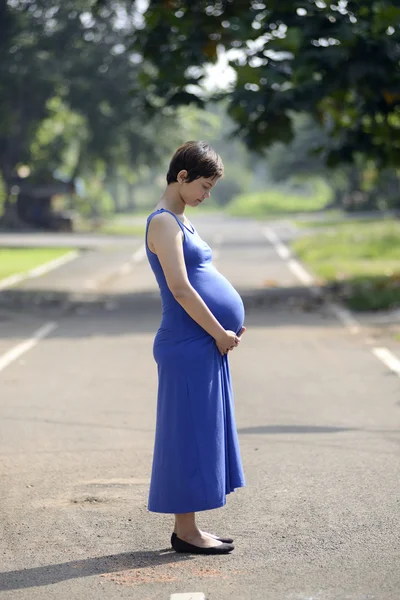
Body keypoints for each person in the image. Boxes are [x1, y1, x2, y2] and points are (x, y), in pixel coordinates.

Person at [145, 140, 246, 555]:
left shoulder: (183, 221)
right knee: (187, 437)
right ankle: (185, 533)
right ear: (181, 177)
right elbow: (181, 289)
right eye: (204, 186)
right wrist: (220, 331)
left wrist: (227, 324)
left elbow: (204, 277)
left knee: (201, 434)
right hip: (186, 344)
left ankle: (189, 529)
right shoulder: (164, 222)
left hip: (202, 343)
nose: (207, 195)